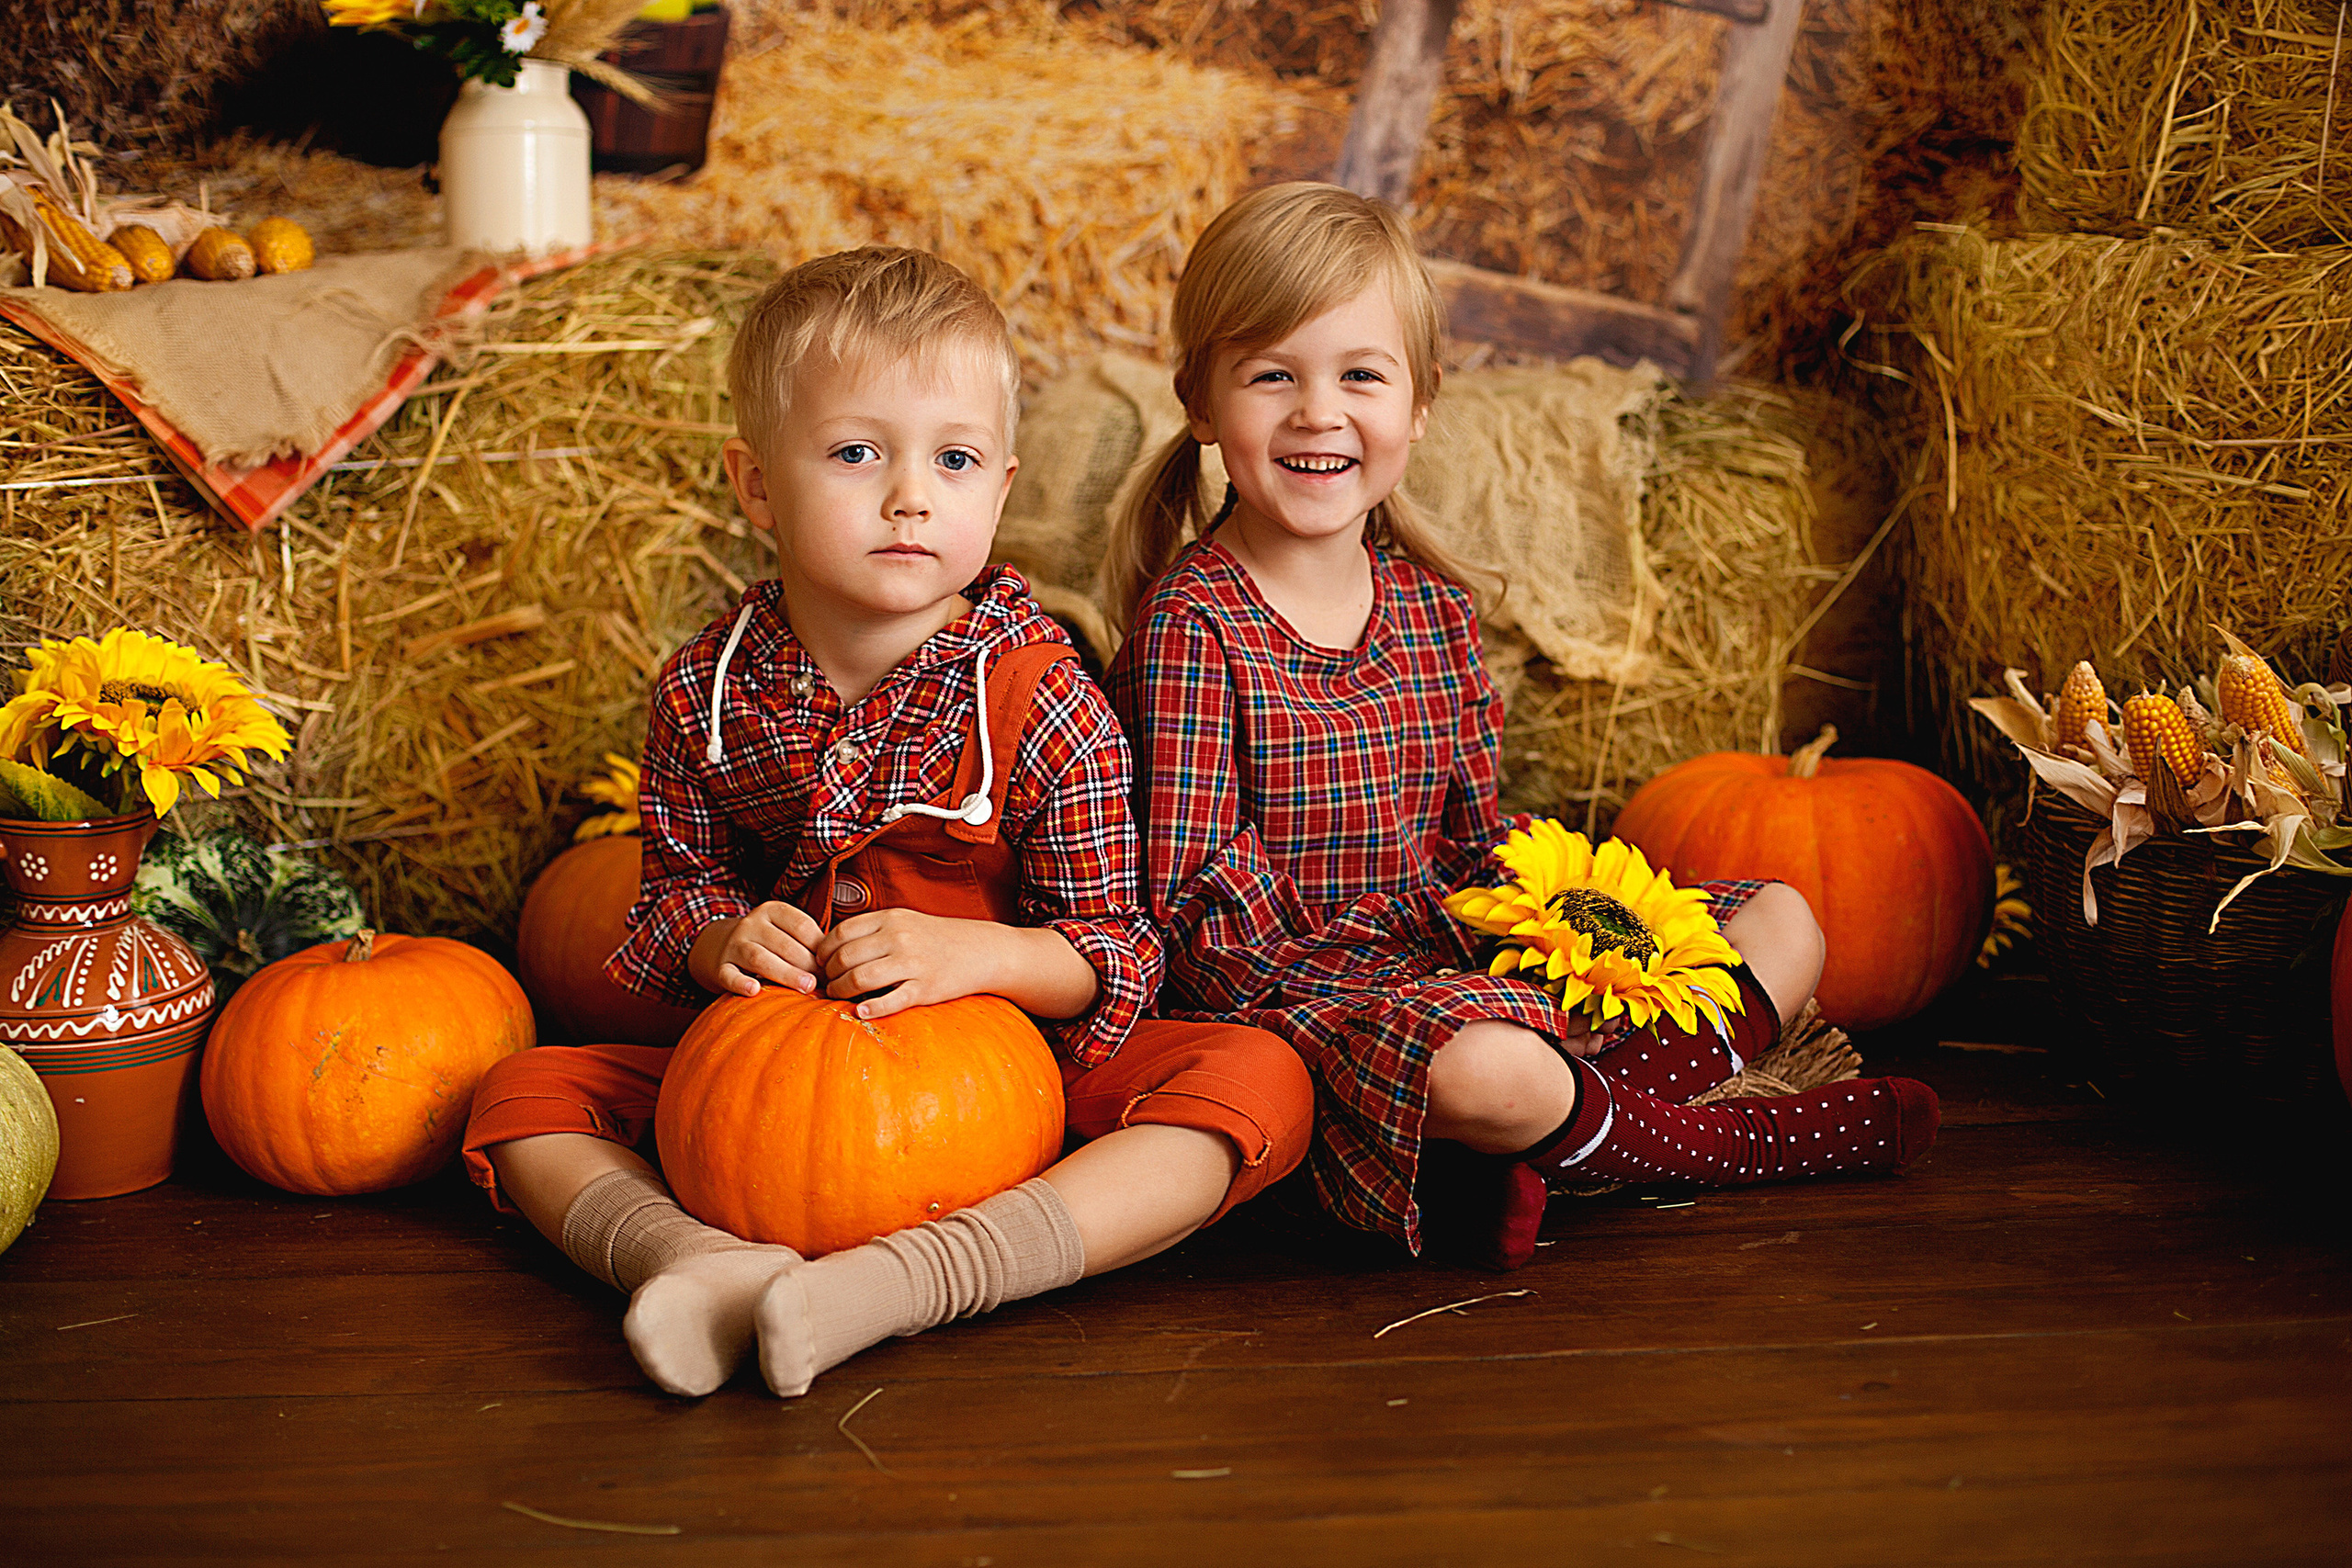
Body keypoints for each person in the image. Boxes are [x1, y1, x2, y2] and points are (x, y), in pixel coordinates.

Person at [460, 246, 1313, 1398]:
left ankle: (921, 1278)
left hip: (1022, 1083)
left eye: (952, 459)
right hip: (781, 1095)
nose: (911, 493)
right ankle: (707, 1269)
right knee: (521, 1097)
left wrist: (987, 956)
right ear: (757, 485)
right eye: (857, 452)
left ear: (999, 489)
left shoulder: (1041, 698)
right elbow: (673, 902)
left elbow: (1119, 949)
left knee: (1256, 1084)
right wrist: (723, 940)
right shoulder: (706, 696)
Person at [1102, 183, 1939, 1270]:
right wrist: (1494, 1007)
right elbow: (1202, 934)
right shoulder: (1193, 626)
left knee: (1781, 922)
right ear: (1203, 406)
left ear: (1420, 403)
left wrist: (1557, 947)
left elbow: (1475, 843)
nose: (1318, 413)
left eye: (1360, 374)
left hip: (1451, 948)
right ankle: (1708, 1142)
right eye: (1272, 376)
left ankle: (1565, 1136)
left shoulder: (1432, 608)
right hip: (1301, 994)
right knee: (1489, 1070)